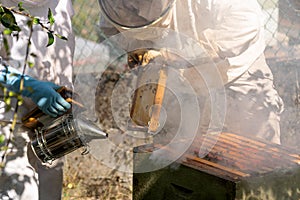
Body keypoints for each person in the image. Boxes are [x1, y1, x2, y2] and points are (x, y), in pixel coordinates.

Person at [97, 0, 284, 145]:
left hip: (235, 75)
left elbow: (245, 24)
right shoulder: (116, 5)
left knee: (259, 161)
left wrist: (173, 54)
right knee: (176, 166)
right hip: (176, 85)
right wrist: (138, 49)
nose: (137, 8)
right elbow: (112, 29)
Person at [0, 0, 75, 199]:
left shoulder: (62, 3)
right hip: (8, 117)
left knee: (49, 190)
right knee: (19, 192)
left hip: (53, 118)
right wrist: (29, 86)